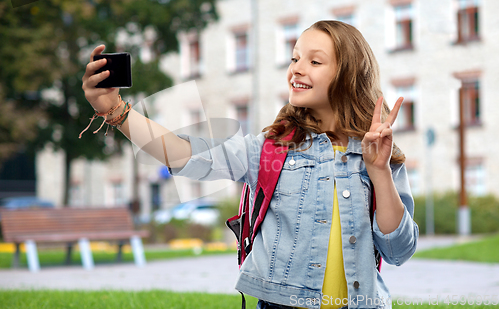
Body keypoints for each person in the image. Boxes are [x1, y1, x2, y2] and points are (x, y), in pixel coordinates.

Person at [81, 20, 418, 309]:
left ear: (348, 74)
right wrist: (117, 111)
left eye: (315, 62)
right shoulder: (270, 149)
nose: (296, 68)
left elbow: (398, 250)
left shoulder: (379, 155)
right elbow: (183, 154)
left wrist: (379, 171)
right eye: (294, 57)